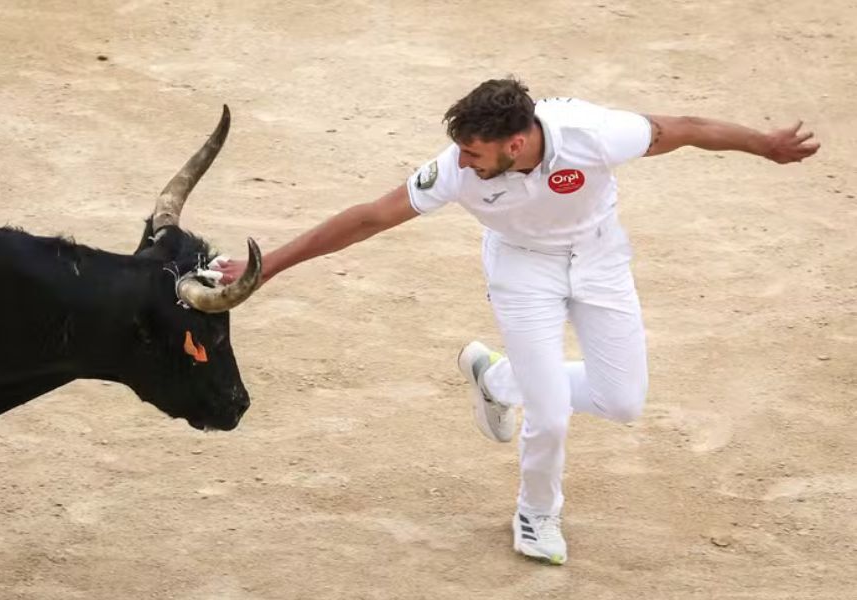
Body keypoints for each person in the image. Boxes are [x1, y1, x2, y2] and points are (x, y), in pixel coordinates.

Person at [212, 78, 820, 565]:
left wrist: (764, 144)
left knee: (624, 401)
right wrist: (267, 268)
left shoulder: (592, 132)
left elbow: (684, 129)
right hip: (521, 272)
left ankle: (499, 381)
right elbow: (370, 217)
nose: (463, 162)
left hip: (601, 260)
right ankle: (537, 514)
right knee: (550, 412)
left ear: (517, 142)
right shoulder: (455, 166)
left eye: (476, 153)